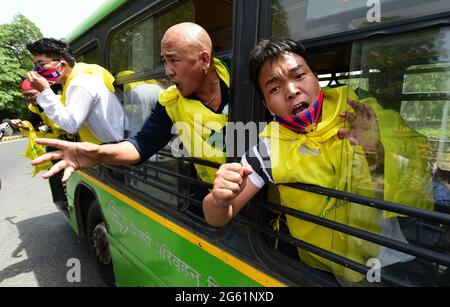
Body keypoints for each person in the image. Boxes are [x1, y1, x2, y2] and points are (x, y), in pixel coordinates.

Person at [202, 39, 434, 283]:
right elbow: (217, 216)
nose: (291, 91)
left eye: (299, 75)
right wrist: (218, 199)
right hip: (327, 269)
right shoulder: (268, 150)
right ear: (266, 105)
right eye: (275, 89)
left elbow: (420, 175)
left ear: (316, 77)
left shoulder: (361, 114)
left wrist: (375, 150)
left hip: (393, 259)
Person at [30, 22, 230, 187]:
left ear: (204, 60)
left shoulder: (241, 76)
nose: (168, 71)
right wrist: (99, 154)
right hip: (214, 190)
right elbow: (141, 144)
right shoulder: (170, 102)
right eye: (164, 62)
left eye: (174, 60)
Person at [26, 38, 124, 144]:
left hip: (115, 146)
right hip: (106, 145)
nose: (37, 71)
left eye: (41, 64)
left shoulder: (81, 82)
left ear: (62, 65)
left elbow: (71, 125)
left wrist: (44, 91)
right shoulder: (73, 82)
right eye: (35, 66)